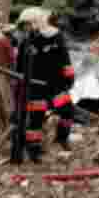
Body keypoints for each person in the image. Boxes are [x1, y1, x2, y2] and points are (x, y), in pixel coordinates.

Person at [15, 8, 76, 161]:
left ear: (36, 23)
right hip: (35, 88)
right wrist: (21, 84)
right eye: (23, 26)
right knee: (35, 119)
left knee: (67, 110)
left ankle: (62, 137)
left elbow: (65, 61)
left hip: (57, 85)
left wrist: (69, 80)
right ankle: (34, 152)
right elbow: (19, 68)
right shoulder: (25, 43)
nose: (25, 28)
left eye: (27, 25)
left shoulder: (56, 38)